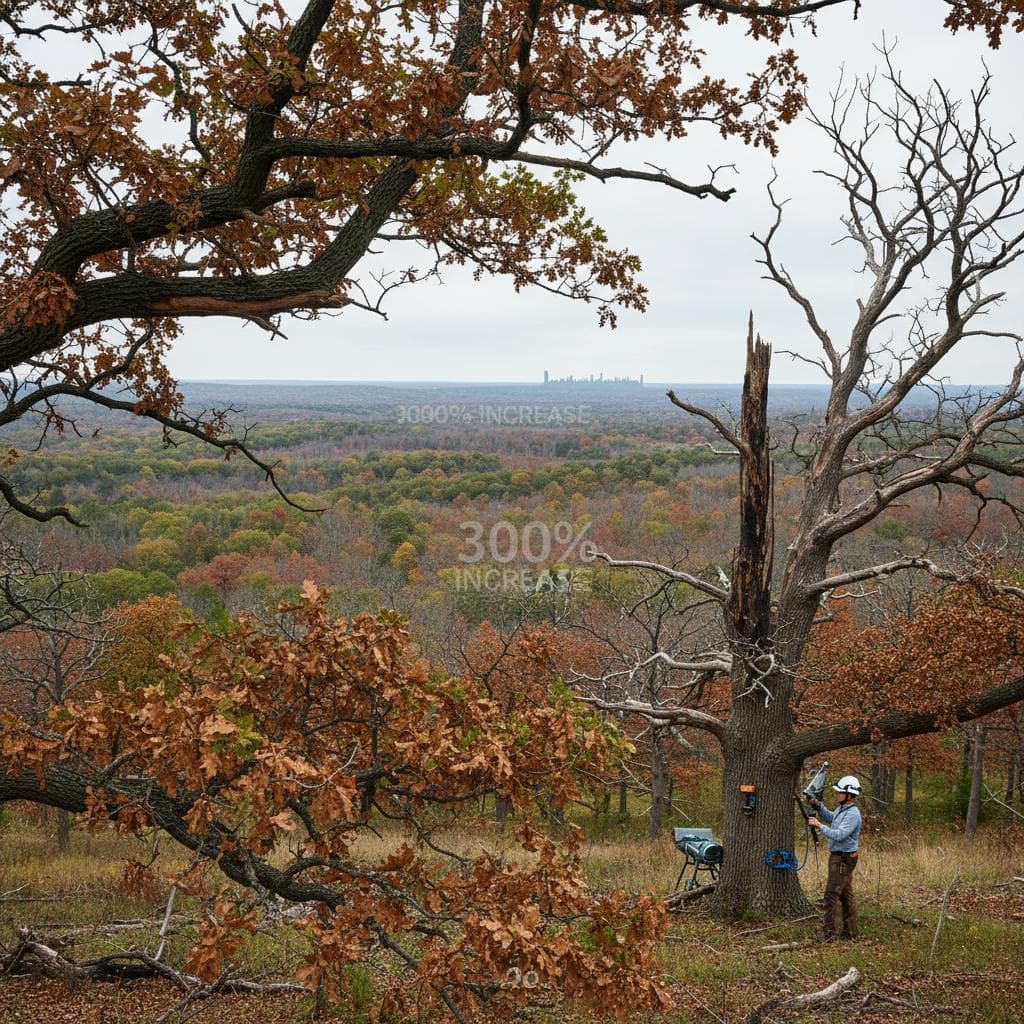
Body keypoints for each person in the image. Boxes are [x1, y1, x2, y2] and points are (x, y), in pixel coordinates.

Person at [807, 774, 862, 941]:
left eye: (839, 792)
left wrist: (819, 825)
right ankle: (850, 933)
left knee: (831, 894)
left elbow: (839, 834)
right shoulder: (842, 809)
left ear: (849, 795)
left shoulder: (853, 814)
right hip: (840, 857)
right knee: (846, 895)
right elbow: (833, 818)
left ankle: (828, 934)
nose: (837, 794)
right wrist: (819, 806)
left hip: (843, 859)